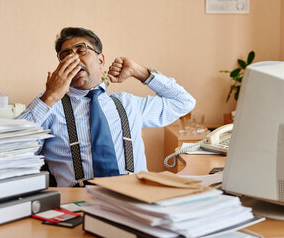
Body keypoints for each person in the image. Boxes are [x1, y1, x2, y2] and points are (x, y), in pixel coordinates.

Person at [17, 27, 196, 187]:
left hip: (135, 199)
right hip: (78, 203)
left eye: (81, 50)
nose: (73, 59)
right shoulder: (50, 107)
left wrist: (139, 71)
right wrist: (50, 96)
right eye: (65, 56)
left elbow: (184, 102)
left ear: (100, 59)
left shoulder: (128, 104)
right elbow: (11, 151)